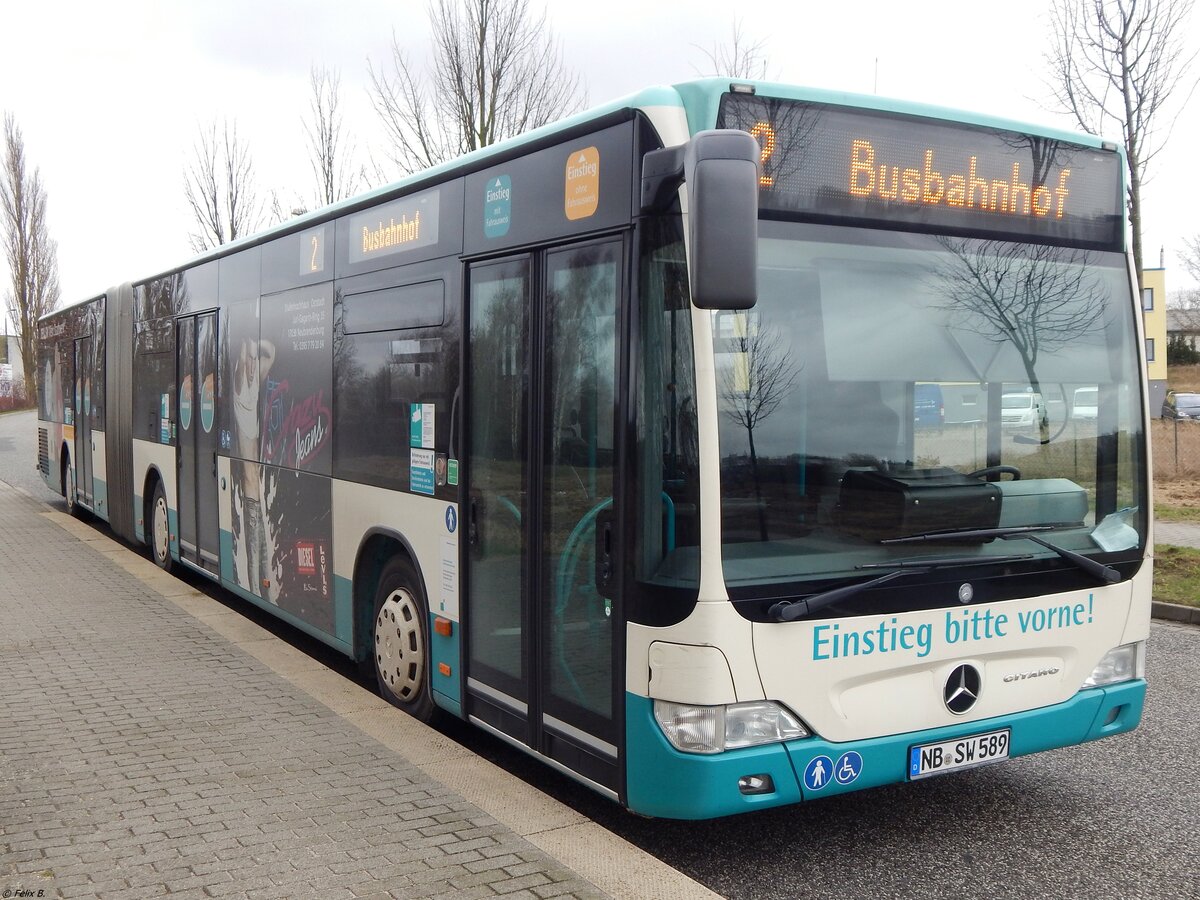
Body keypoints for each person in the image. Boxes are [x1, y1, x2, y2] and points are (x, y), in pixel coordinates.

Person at [231, 337, 275, 598]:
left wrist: (255, 345)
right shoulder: (240, 388)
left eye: (253, 359)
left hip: (257, 497)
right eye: (247, 358)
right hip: (249, 497)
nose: (251, 364)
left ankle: (263, 591)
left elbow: (272, 352)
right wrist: (246, 349)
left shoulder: (254, 381)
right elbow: (243, 366)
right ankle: (256, 591)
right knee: (254, 553)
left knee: (264, 553)